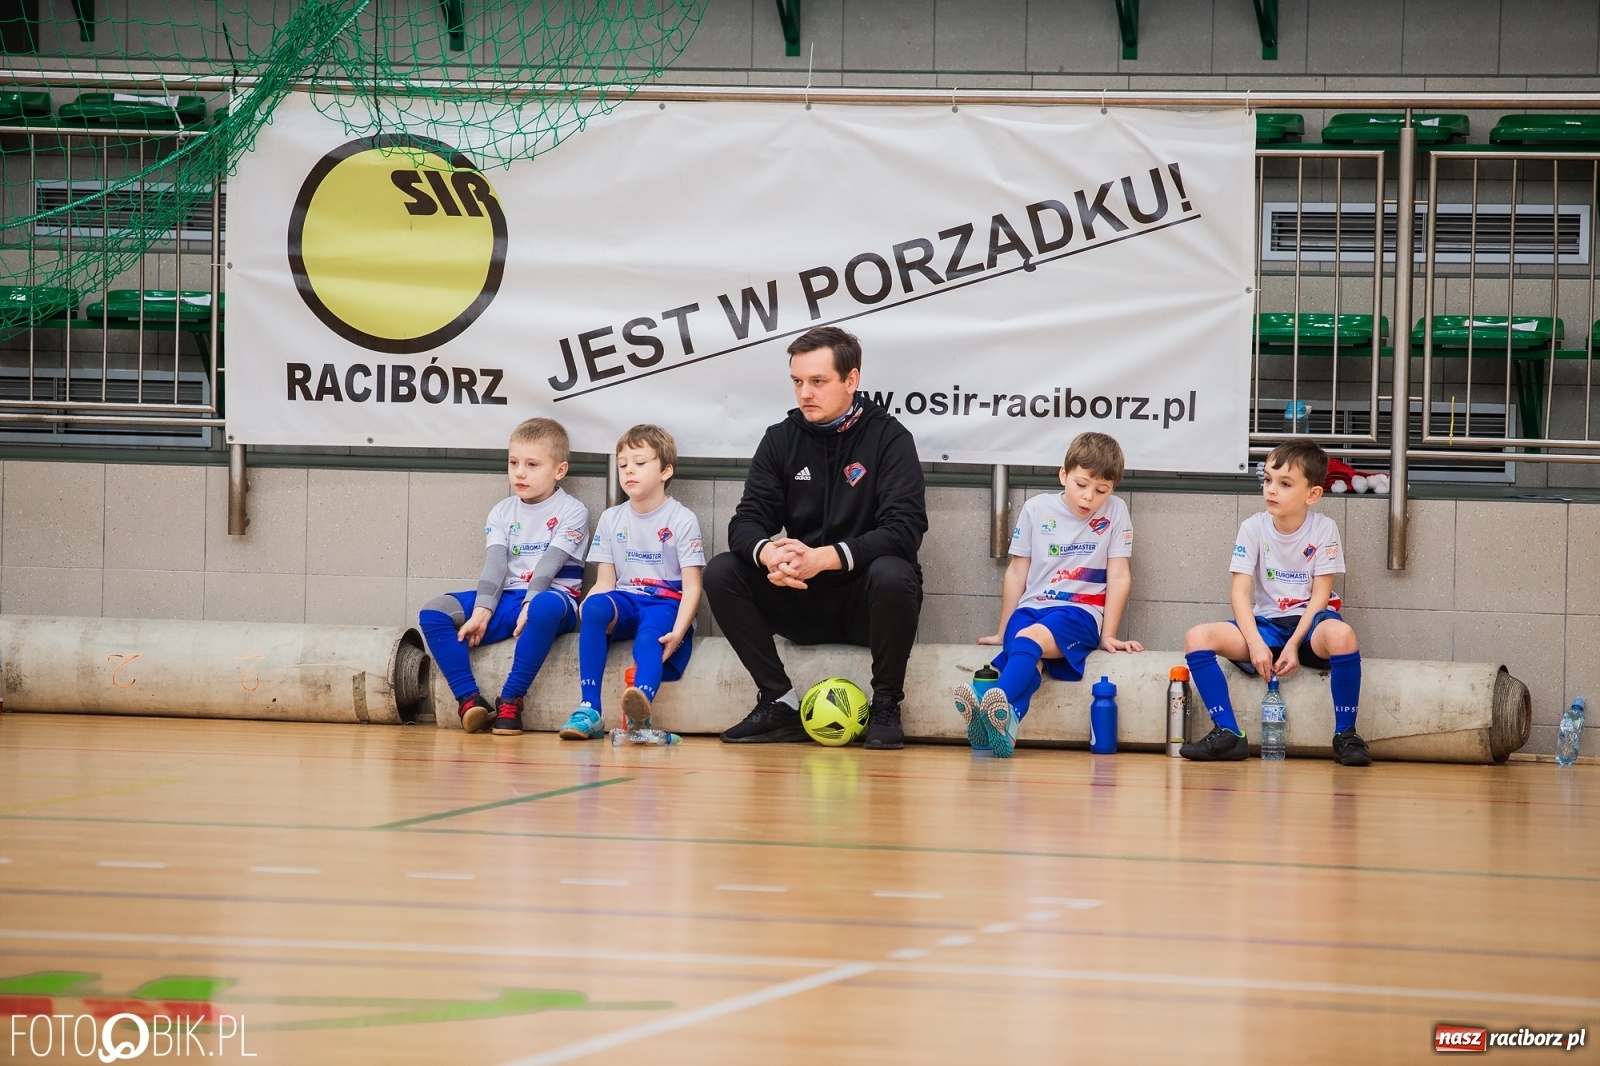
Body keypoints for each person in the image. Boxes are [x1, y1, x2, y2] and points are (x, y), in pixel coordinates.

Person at [706, 326, 928, 750]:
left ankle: (884, 705)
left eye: (818, 382)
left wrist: (824, 557)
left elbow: (904, 531)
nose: (805, 393)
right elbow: (745, 522)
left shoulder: (890, 438)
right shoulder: (780, 439)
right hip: (801, 596)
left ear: (852, 381)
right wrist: (770, 554)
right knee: (723, 571)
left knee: (894, 572)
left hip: (865, 604)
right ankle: (779, 702)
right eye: (797, 382)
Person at [1180, 438, 1372, 766]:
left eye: (1284, 484)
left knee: (1343, 636)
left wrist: (1295, 644)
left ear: (1312, 494)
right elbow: (1239, 592)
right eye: (1267, 479)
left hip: (1310, 625)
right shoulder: (1252, 527)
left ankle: (1346, 735)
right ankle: (1227, 733)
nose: (1271, 490)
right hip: (1266, 626)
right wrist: (1254, 642)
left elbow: (1320, 597)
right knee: (1197, 636)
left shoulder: (1324, 529)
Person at [955, 432, 1143, 758]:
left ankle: (990, 700)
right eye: (1081, 485)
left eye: (1101, 491)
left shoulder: (1116, 512)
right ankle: (1007, 722)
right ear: (1063, 475)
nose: (1089, 498)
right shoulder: (1035, 508)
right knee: (1030, 658)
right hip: (1031, 609)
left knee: (1029, 640)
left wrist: (1108, 634)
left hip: (1078, 612)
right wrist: (1003, 629)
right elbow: (1016, 572)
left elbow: (1119, 574)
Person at [418, 417, 588, 736]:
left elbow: (550, 565)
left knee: (543, 607)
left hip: (553, 602)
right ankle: (470, 701)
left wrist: (531, 602)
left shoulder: (573, 510)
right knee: (434, 611)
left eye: (532, 464)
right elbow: (495, 566)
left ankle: (511, 700)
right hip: (508, 600)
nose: (519, 472)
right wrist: (483, 609)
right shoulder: (501, 511)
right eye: (513, 462)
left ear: (559, 470)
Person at [559, 425, 705, 740]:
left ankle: (639, 709)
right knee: (596, 607)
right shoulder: (612, 518)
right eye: (623, 465)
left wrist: (678, 632)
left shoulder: (682, 519)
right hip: (626, 600)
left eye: (640, 463)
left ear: (666, 471)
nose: (629, 472)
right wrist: (591, 603)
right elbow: (605, 581)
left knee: (648, 641)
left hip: (665, 603)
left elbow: (693, 586)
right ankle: (589, 709)